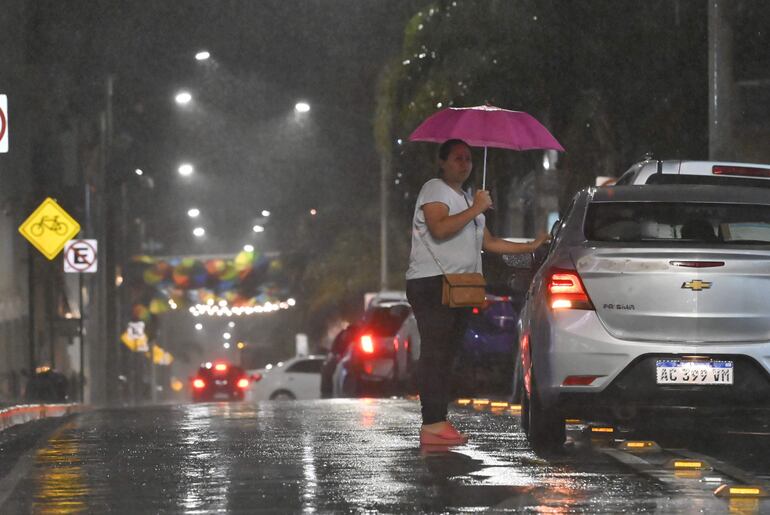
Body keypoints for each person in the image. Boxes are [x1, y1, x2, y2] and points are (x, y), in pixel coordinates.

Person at [406, 139, 548, 446]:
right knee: (435, 352)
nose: (465, 164)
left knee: (448, 354)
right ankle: (432, 423)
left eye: (469, 159)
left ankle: (439, 420)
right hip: (432, 282)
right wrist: (476, 208)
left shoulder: (468, 196)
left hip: (460, 284)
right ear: (442, 161)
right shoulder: (435, 189)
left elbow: (490, 243)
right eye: (457, 158)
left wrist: (531, 247)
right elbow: (440, 229)